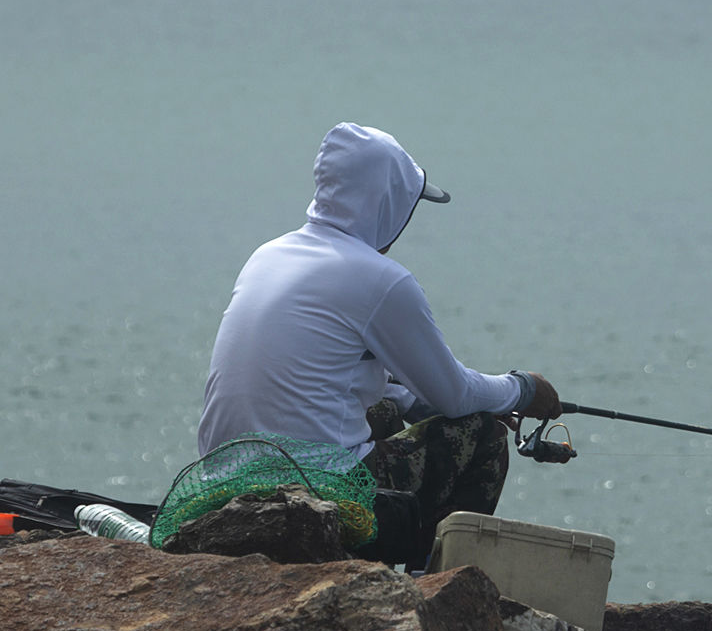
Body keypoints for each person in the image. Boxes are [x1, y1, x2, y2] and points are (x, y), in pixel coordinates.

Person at [197, 122, 559, 552]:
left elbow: (354, 383)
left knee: (384, 410)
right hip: (314, 486)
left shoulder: (269, 255)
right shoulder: (380, 280)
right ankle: (434, 585)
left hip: (224, 476)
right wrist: (523, 389)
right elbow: (456, 396)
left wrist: (439, 402)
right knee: (479, 435)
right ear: (390, 204)